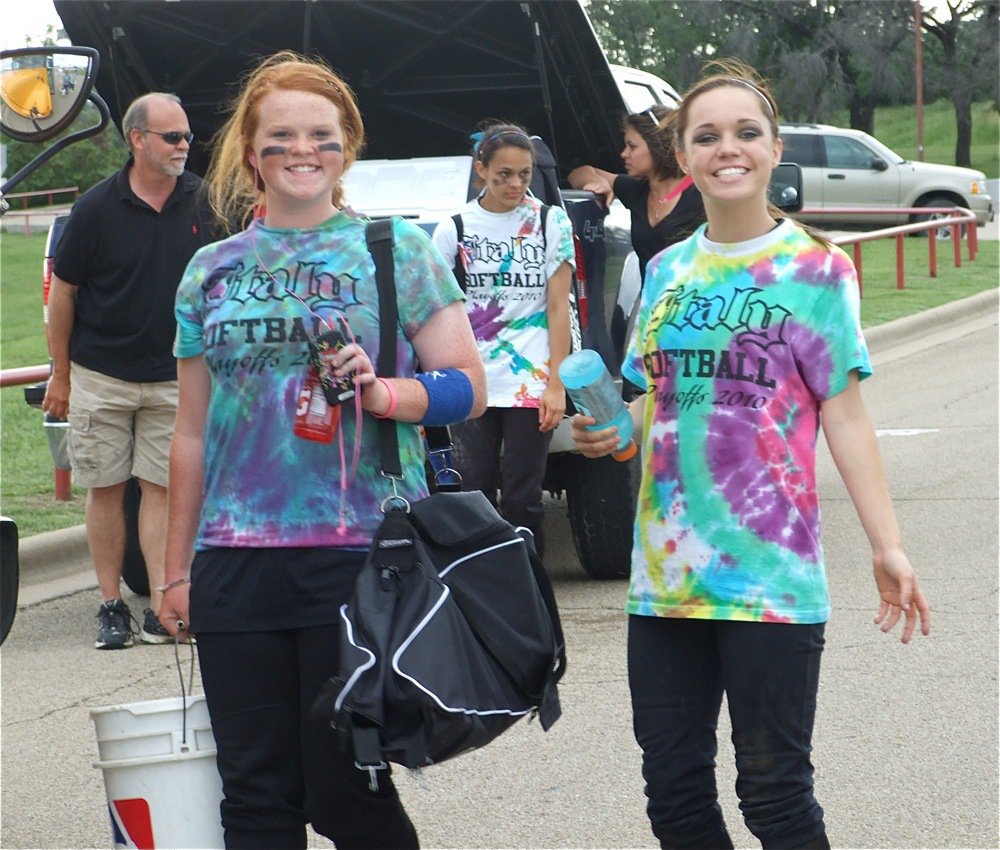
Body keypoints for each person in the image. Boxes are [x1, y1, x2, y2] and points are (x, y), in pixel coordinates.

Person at [570, 60, 931, 850]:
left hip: (769, 578)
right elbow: (645, 397)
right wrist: (614, 431)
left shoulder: (817, 270)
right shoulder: (667, 268)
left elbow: (846, 416)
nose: (726, 148)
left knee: (773, 795)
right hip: (664, 581)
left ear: (772, 151)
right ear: (686, 156)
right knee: (672, 794)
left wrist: (888, 544)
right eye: (707, 136)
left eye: (745, 133)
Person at [158, 51, 486, 849]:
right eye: (281, 136)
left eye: (321, 134)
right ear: (249, 152)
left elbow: (468, 387)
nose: (302, 150)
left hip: (357, 554)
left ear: (347, 147)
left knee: (347, 794)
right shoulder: (211, 271)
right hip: (235, 561)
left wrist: (386, 394)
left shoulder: (394, 250)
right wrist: (176, 570)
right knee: (255, 798)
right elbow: (192, 432)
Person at [42, 92, 216, 649]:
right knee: (106, 488)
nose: (185, 146)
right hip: (101, 374)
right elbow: (62, 295)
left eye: (188, 136)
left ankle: (163, 604)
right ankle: (109, 605)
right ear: (137, 140)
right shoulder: (94, 208)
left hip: (176, 375)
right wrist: (61, 375)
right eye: (172, 137)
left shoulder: (205, 202)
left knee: (162, 489)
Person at [431, 122, 574, 558]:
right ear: (481, 172)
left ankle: (527, 584)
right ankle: (480, 583)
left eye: (525, 175)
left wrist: (556, 383)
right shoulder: (454, 228)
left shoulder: (551, 222)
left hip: (531, 378)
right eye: (504, 175)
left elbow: (558, 307)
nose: (515, 184)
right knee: (473, 491)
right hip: (473, 376)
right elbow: (438, 312)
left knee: (522, 498)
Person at [568, 104, 704, 281]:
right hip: (651, 304)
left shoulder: (701, 194)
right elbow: (577, 173)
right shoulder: (637, 190)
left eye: (632, 147)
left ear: (657, 146)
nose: (624, 154)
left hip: (694, 302)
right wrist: (597, 182)